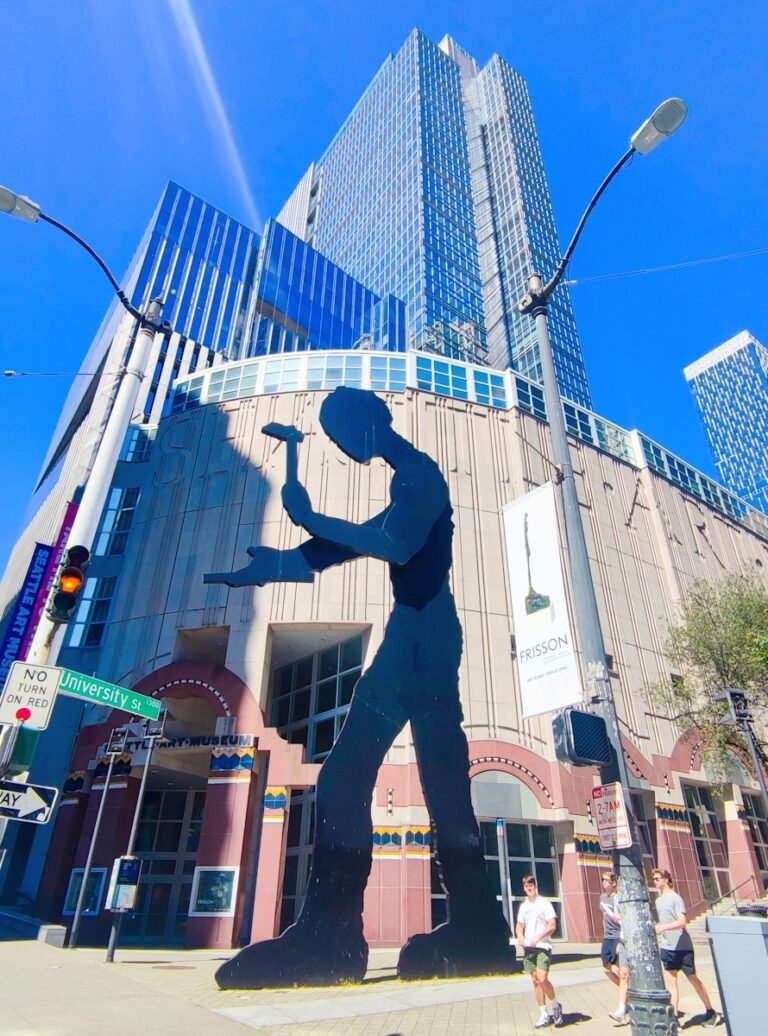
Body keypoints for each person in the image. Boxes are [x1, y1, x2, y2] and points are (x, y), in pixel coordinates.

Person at [206, 387, 512, 988]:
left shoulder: (420, 478)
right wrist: (277, 563)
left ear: (372, 423)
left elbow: (392, 542)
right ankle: (472, 925)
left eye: (345, 435)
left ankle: (332, 935)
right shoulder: (407, 481)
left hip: (421, 640)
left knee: (351, 777)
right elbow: (347, 544)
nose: (345, 449)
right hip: (418, 635)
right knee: (441, 784)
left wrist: (309, 514)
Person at [652, 868, 723, 1026]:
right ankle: (674, 1018)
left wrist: (663, 928)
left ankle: (711, 1010)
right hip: (667, 946)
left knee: (693, 979)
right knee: (671, 982)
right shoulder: (658, 901)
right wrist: (659, 927)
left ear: (666, 879)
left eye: (657, 878)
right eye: (654, 879)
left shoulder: (675, 898)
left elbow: (682, 922)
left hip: (683, 946)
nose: (655, 881)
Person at [515, 875, 564, 1028]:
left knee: (543, 978)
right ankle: (543, 1013)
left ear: (535, 886)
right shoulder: (524, 906)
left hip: (542, 947)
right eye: (526, 886)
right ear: (524, 888)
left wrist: (538, 937)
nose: (529, 888)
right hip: (529, 948)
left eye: (531, 885)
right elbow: (519, 925)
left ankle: (556, 1006)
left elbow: (552, 925)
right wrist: (521, 937)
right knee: (535, 981)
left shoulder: (544, 904)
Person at [600, 871, 629, 1026]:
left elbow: (621, 919)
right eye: (602, 880)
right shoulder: (602, 898)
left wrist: (620, 940)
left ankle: (622, 1008)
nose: (604, 882)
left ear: (613, 883)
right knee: (606, 969)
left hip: (618, 936)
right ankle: (627, 996)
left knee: (621, 971)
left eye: (606, 880)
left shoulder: (618, 898)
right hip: (607, 937)